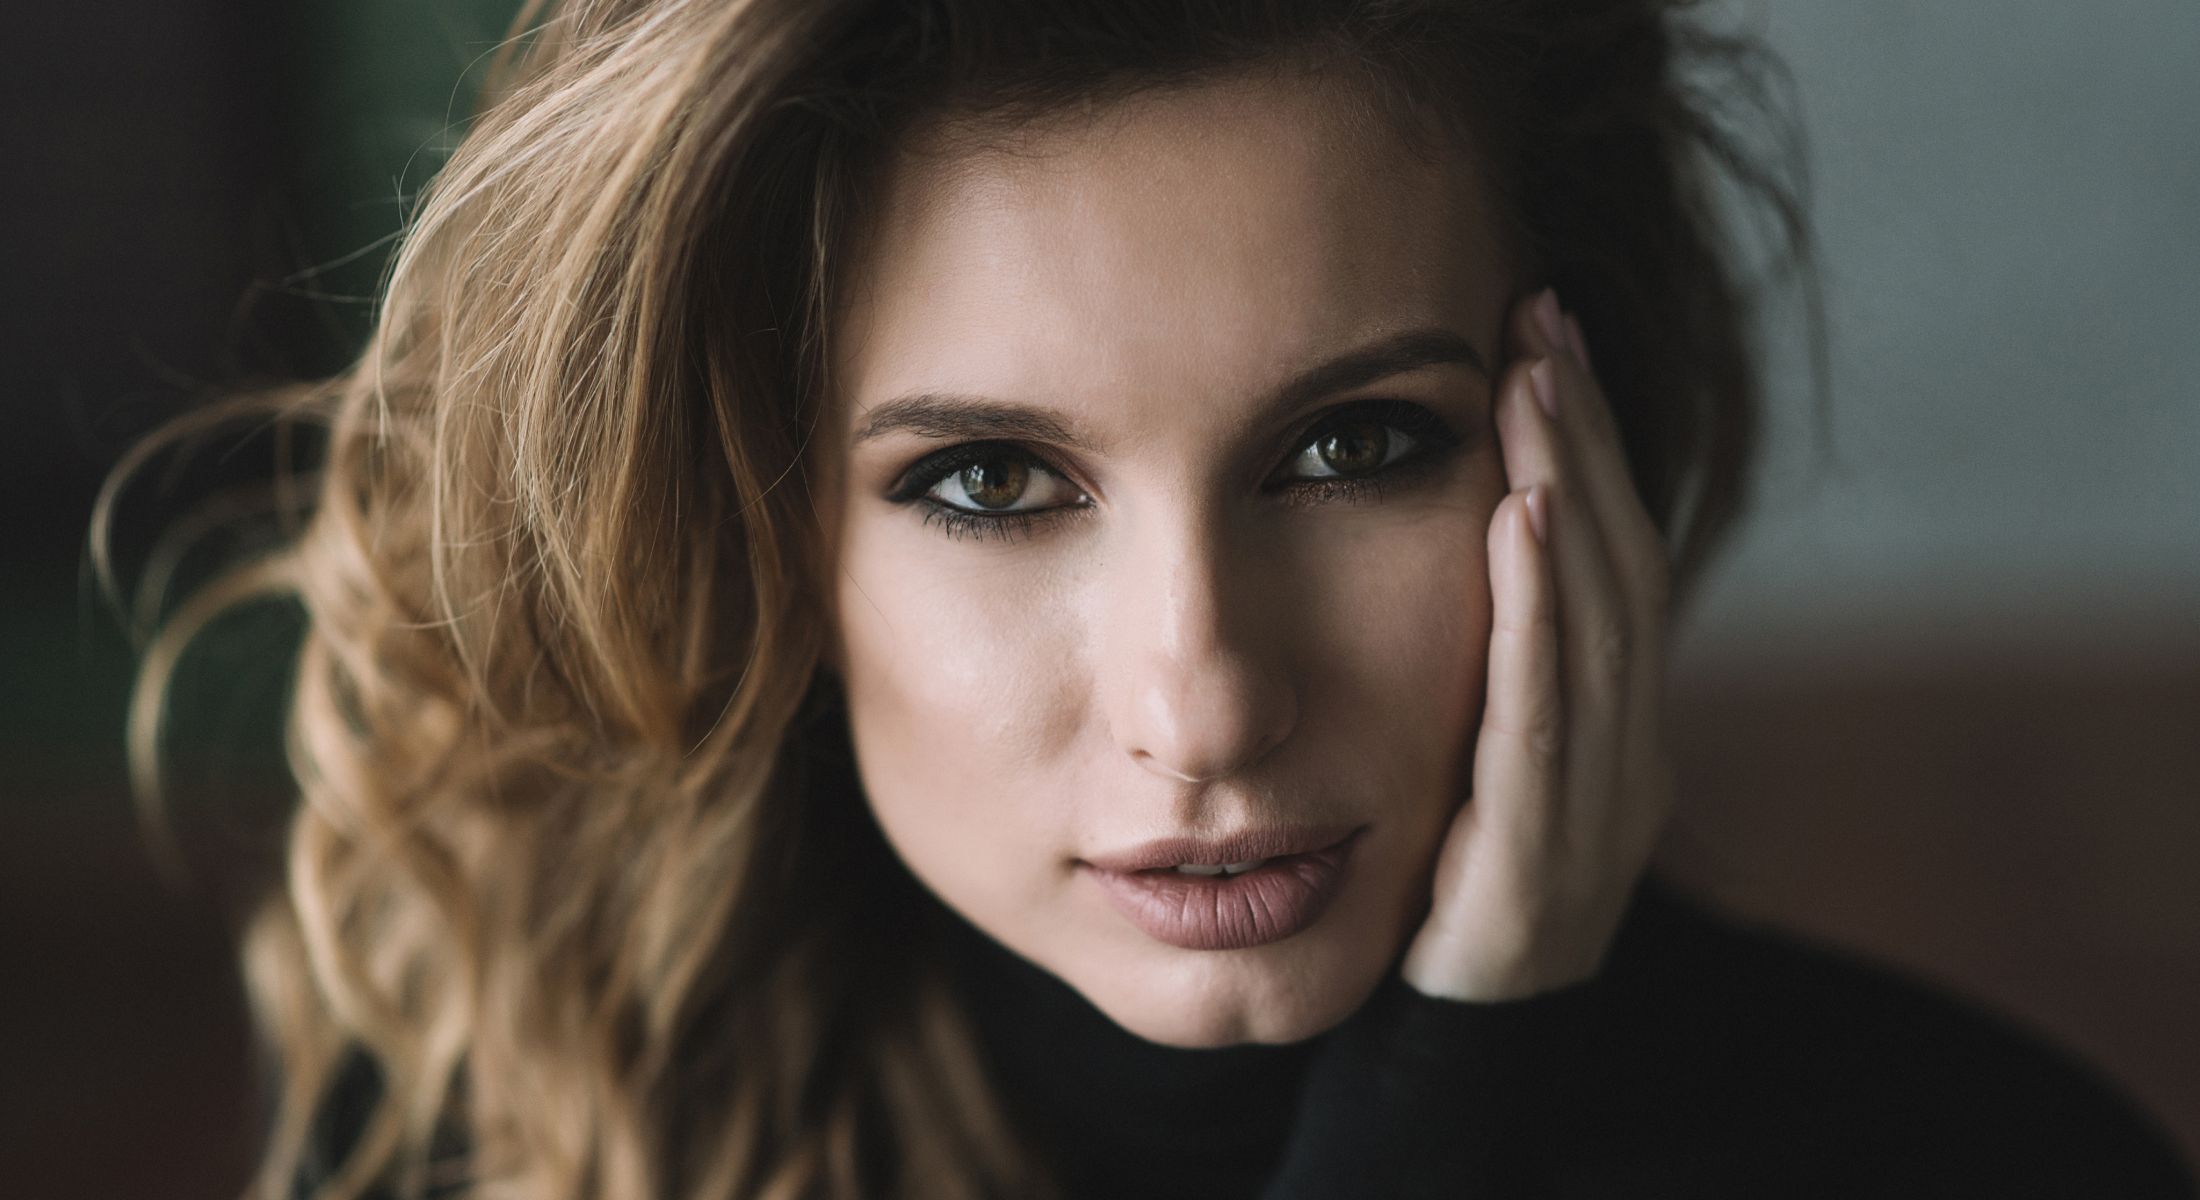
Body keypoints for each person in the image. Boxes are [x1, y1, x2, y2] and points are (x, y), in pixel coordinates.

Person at [110, 0, 2194, 1196]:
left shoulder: (1972, 1163)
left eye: (1351, 445)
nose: (1199, 703)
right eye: (987, 481)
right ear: (753, 532)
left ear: (1586, 441)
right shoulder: (492, 1105)